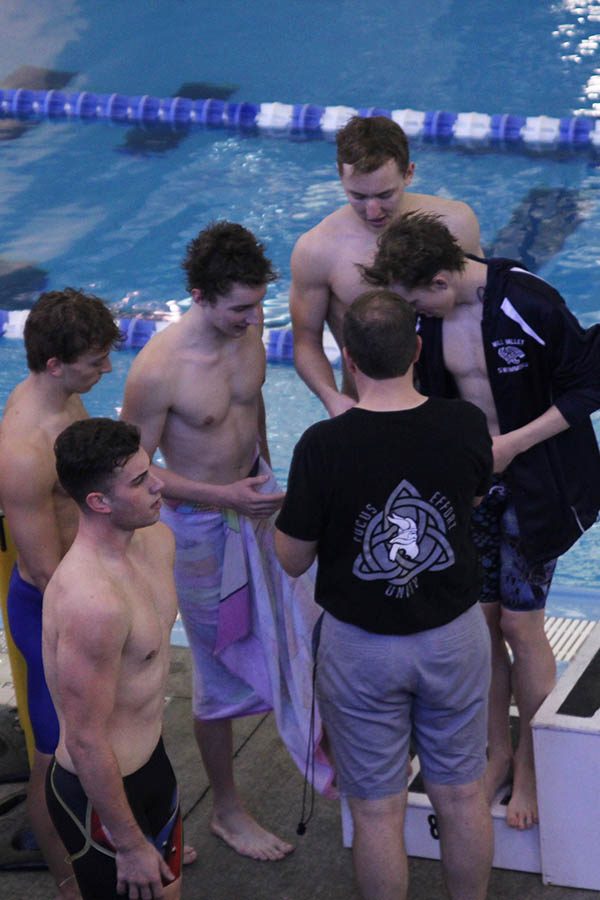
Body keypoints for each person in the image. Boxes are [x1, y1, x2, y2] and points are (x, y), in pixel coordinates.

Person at [362, 211, 600, 830]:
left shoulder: (527, 301)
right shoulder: (423, 318)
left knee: (522, 624)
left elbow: (587, 385)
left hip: (537, 483)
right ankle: (498, 752)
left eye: (423, 304)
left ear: (444, 279)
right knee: (481, 622)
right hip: (473, 488)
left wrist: (515, 443)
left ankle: (534, 767)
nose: (421, 318)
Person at [121, 221, 331, 862]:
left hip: (255, 501)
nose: (252, 319)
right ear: (199, 296)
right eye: (240, 308)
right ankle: (228, 810)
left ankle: (321, 748)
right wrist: (223, 497)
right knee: (217, 670)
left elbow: (253, 407)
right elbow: (133, 468)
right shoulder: (159, 368)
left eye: (258, 304)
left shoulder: (246, 341)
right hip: (200, 531)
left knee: (305, 624)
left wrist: (261, 473)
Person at [275, 290, 494, 900]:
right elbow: (471, 502)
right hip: (452, 637)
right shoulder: (463, 423)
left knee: (376, 811)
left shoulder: (323, 446)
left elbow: (292, 559)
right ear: (418, 350)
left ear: (347, 356)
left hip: (361, 648)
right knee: (462, 793)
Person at [0, 288, 119, 897]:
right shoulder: (23, 448)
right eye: (95, 361)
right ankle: (69, 878)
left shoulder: (69, 400)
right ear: (54, 364)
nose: (106, 370)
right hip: (51, 609)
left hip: (86, 587)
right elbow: (45, 570)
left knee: (108, 732)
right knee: (56, 752)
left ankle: (123, 837)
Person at [43, 418, 182, 900]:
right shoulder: (92, 603)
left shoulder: (158, 541)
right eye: (141, 481)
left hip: (154, 767)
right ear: (99, 502)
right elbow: (84, 739)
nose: (159, 483)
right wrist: (128, 843)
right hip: (98, 796)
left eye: (151, 470)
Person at [289, 114, 482, 416]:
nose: (373, 210)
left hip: (452, 405)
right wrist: (332, 399)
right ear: (341, 177)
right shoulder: (317, 249)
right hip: (369, 408)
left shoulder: (456, 224)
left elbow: (482, 311)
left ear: (409, 174)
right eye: (358, 196)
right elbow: (306, 341)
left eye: (384, 195)